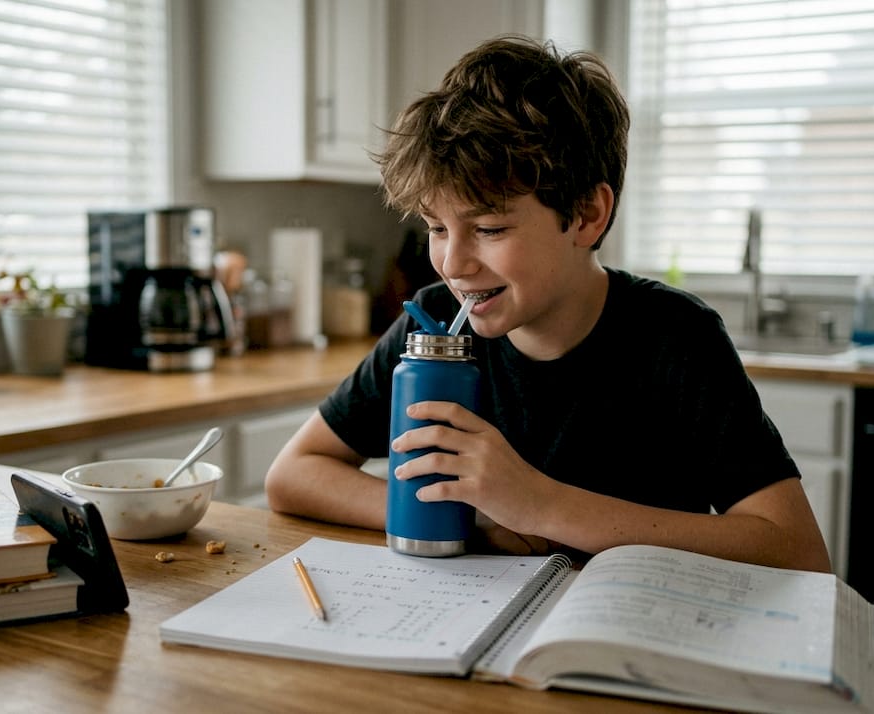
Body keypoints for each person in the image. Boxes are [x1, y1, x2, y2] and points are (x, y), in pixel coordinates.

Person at [265, 35, 832, 573]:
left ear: (586, 215)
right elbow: (293, 474)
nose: (454, 263)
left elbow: (797, 553)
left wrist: (541, 505)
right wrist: (469, 516)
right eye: (437, 227)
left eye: (488, 228)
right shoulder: (436, 321)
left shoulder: (675, 336)